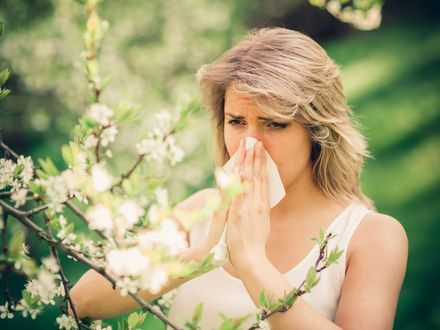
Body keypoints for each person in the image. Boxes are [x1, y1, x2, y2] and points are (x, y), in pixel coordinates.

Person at [70, 27, 408, 329]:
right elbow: (81, 301)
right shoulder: (201, 210)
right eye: (236, 121)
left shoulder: (371, 237)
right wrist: (203, 254)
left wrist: (251, 262)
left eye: (274, 123)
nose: (251, 142)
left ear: (317, 132)